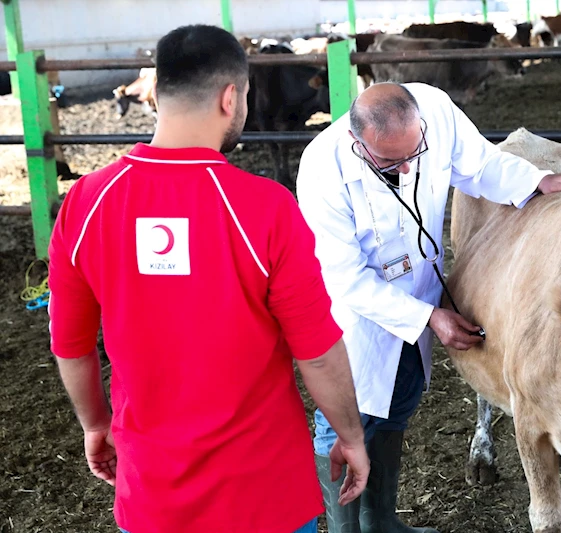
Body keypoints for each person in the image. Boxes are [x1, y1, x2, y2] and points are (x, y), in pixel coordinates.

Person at [47, 24, 369, 533]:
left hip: (152, 497)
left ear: (156, 93)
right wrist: (350, 435)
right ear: (230, 97)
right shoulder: (267, 208)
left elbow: (70, 345)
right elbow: (318, 351)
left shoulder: (85, 203)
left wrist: (94, 424)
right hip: (266, 496)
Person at [295, 82, 561, 533]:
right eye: (389, 161)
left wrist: (537, 181)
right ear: (356, 140)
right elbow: (344, 278)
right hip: (357, 317)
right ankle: (348, 530)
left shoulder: (437, 109)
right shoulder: (323, 169)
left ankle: (380, 522)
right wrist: (428, 317)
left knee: (397, 405)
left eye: (414, 151)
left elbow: (479, 164)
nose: (406, 166)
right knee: (345, 422)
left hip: (418, 290)